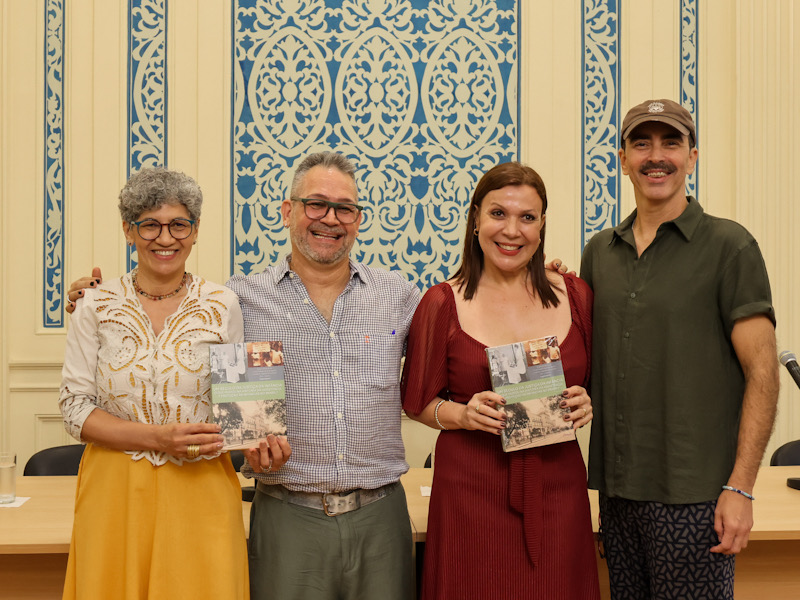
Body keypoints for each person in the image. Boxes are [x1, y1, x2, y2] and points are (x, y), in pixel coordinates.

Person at [58, 168, 289, 599]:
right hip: (114, 492)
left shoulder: (224, 303)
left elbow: (246, 417)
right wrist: (158, 437)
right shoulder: (94, 304)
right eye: (150, 224)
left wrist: (263, 446)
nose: (165, 238)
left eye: (179, 224)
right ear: (129, 231)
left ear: (196, 231)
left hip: (201, 489)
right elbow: (74, 410)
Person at [580, 99, 779, 599]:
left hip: (696, 499)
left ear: (693, 156)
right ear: (621, 158)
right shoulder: (599, 253)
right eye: (641, 143)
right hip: (617, 496)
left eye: (671, 142)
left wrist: (740, 487)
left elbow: (763, 374)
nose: (656, 156)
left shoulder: (729, 247)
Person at [401, 162, 600, 599]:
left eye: (527, 217)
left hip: (558, 490)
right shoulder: (441, 302)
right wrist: (462, 414)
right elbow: (416, 402)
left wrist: (589, 403)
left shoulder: (577, 294)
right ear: (475, 219)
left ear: (542, 225)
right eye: (498, 214)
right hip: (469, 494)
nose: (512, 230)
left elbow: (601, 385)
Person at [226, 151, 420, 599]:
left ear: (358, 218)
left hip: (382, 518)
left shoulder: (399, 296)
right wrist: (99, 300)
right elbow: (176, 335)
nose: (330, 219)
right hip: (288, 517)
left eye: (345, 208)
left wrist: (532, 281)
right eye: (316, 204)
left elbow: (465, 333)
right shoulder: (239, 299)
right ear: (287, 211)